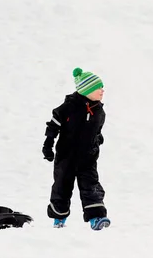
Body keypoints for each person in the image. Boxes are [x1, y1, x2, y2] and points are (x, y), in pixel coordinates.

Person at [42, 67, 110, 230]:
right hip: (67, 156)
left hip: (88, 157)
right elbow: (53, 126)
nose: (102, 91)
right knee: (62, 186)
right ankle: (58, 217)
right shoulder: (69, 107)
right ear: (87, 90)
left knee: (91, 186)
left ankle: (97, 218)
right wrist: (48, 144)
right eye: (98, 87)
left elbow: (97, 130)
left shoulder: (99, 111)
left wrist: (97, 139)